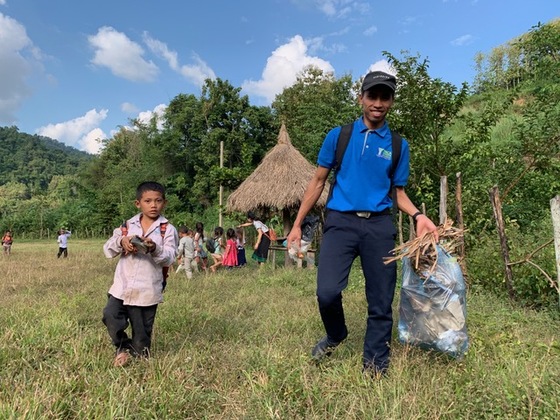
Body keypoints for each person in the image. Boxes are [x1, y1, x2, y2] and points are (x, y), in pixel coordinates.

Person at [287, 70, 439, 377]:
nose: (378, 103)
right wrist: (297, 224)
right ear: (361, 99)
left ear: (392, 102)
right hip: (340, 223)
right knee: (327, 292)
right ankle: (336, 334)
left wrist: (419, 215)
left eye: (385, 97)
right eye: (373, 96)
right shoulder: (339, 136)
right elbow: (318, 182)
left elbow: (398, 193)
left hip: (380, 227)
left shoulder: (398, 145)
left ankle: (374, 367)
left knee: (381, 301)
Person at [102, 181, 178, 367]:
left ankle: (137, 358)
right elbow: (107, 250)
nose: (153, 205)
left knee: (142, 338)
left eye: (158, 201)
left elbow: (170, 257)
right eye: (148, 201)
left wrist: (153, 248)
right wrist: (122, 241)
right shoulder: (127, 226)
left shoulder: (167, 229)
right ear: (138, 203)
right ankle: (122, 346)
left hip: (147, 289)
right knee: (110, 315)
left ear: (164, 203)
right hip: (122, 286)